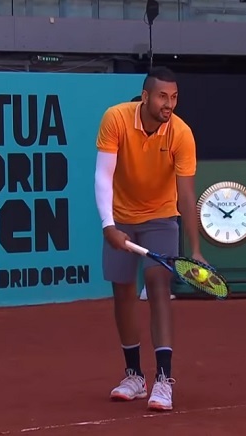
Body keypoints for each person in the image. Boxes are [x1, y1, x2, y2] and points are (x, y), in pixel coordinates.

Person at [94, 67, 207, 412]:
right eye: (162, 96)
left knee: (158, 287)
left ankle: (163, 379)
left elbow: (186, 195)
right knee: (122, 292)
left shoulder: (182, 134)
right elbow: (103, 175)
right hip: (121, 218)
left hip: (160, 217)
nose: (168, 104)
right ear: (145, 97)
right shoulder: (115, 119)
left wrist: (196, 250)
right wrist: (108, 225)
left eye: (174, 97)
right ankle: (134, 377)